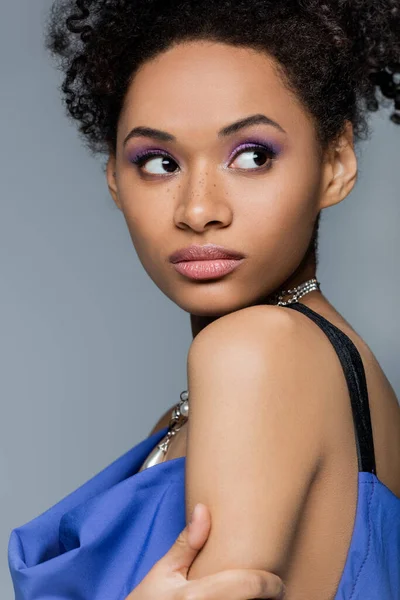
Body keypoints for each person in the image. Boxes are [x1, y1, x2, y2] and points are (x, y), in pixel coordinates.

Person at [7, 0, 400, 598]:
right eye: (158, 163)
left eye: (252, 157)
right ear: (115, 177)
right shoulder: (238, 393)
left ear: (336, 163)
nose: (198, 210)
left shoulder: (255, 353)